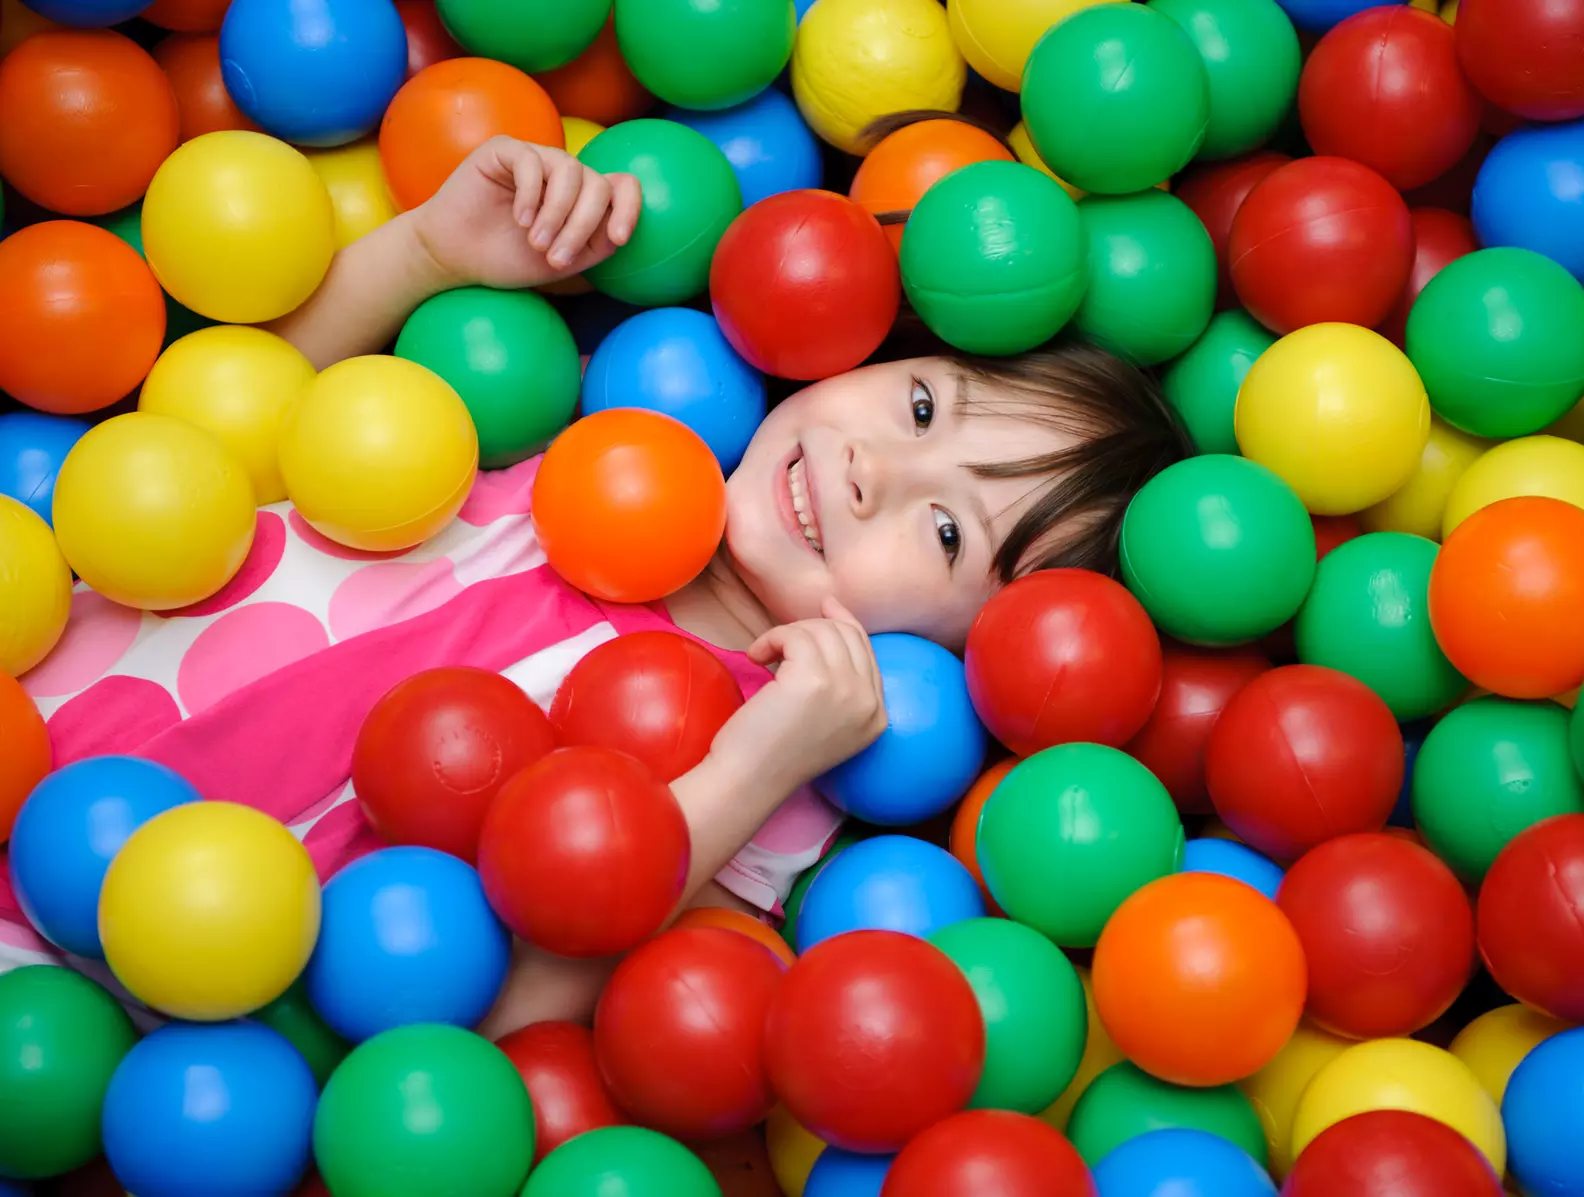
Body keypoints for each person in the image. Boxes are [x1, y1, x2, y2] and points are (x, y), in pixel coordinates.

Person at [1, 136, 1190, 1035]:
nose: (874, 469)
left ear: (979, 653)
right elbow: (244, 441)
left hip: (87, 987)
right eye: (921, 406)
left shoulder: (775, 771)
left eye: (946, 533)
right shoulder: (576, 444)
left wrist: (757, 763)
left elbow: (523, 1006)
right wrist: (420, 253)